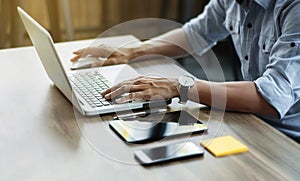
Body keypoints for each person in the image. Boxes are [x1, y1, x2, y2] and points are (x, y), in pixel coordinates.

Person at [71, 0, 300, 142]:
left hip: (286, 141)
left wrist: (179, 87)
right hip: (250, 122)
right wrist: (131, 52)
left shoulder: (294, 8)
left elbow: (270, 97)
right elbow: (197, 32)